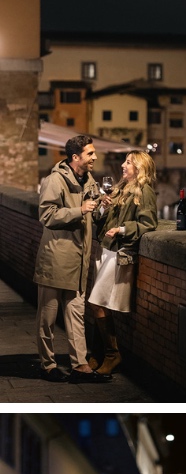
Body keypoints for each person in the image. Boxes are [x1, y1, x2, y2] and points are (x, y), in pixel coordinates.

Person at [33, 134, 101, 383]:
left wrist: (102, 205)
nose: (95, 157)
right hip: (56, 257)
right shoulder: (54, 180)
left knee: (76, 315)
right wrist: (80, 210)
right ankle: (47, 365)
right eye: (90, 153)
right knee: (47, 317)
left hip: (80, 259)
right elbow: (47, 215)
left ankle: (80, 365)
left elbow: (93, 214)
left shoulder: (90, 181)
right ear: (76, 157)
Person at [86, 150, 159, 377]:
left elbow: (148, 223)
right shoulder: (119, 189)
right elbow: (99, 219)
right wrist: (102, 206)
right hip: (107, 249)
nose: (123, 166)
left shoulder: (144, 191)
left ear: (139, 167)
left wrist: (122, 229)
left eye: (128, 162)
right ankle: (97, 354)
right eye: (125, 161)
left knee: (96, 302)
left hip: (120, 253)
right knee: (100, 303)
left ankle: (111, 354)